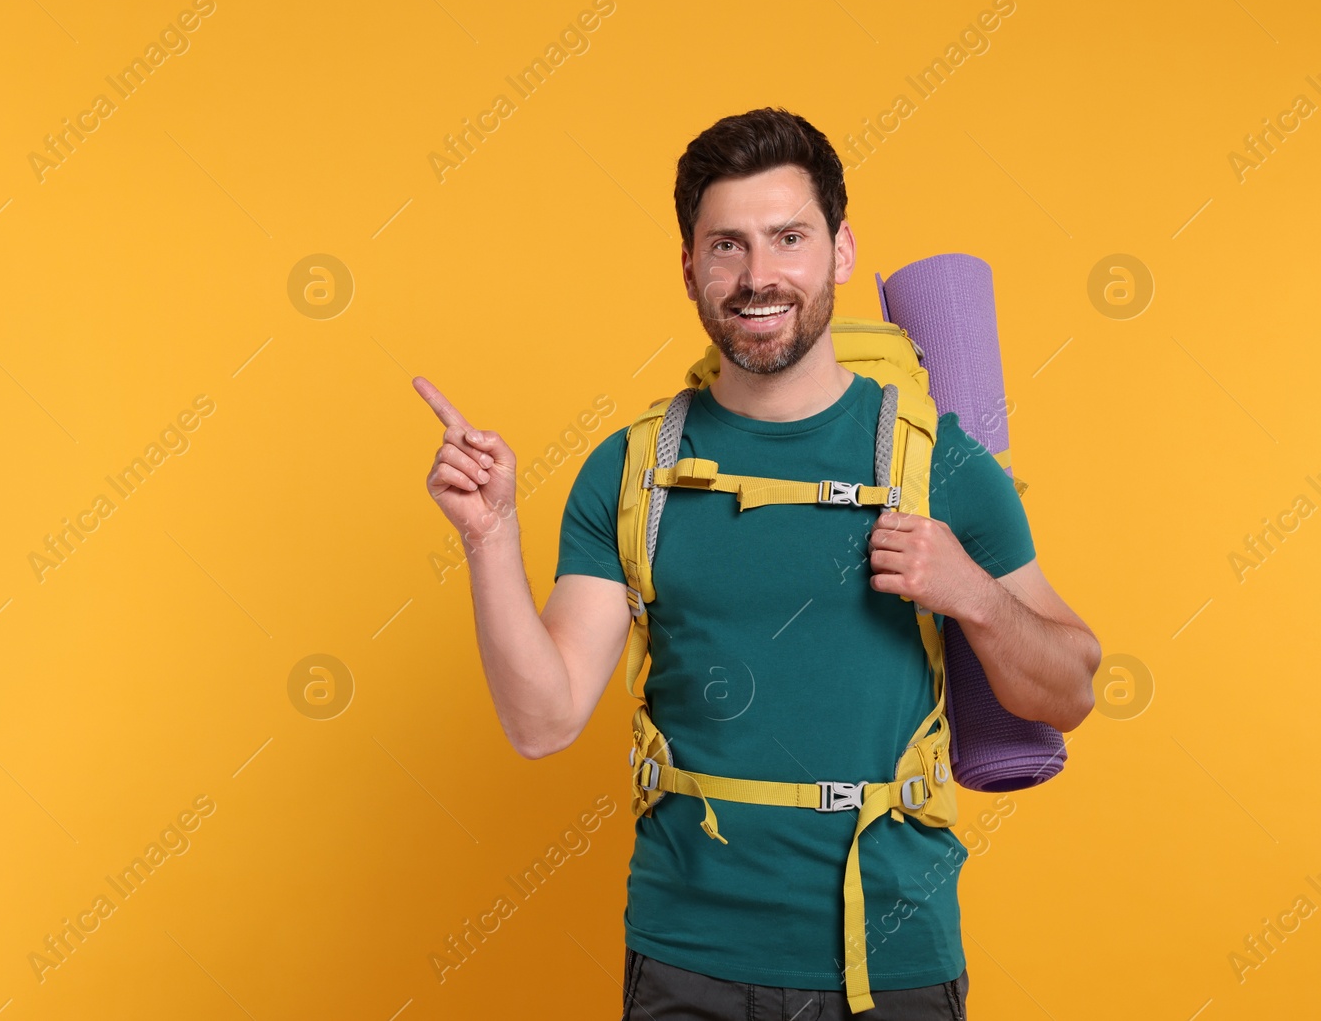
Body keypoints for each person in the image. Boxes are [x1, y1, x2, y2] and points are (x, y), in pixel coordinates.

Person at [414, 106, 1100, 1021]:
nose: (758, 275)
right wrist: (490, 535)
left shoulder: (938, 462)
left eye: (788, 237)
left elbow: (1071, 691)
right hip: (687, 958)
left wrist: (969, 590)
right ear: (690, 267)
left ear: (841, 251)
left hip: (891, 956)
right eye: (726, 245)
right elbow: (542, 720)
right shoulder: (631, 472)